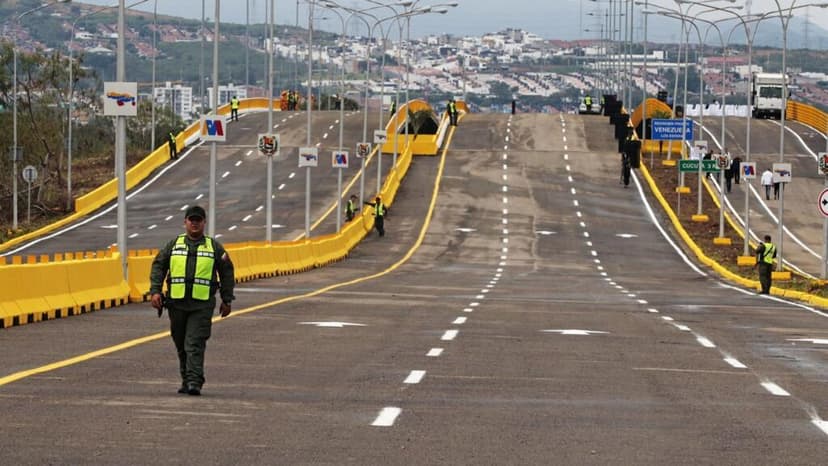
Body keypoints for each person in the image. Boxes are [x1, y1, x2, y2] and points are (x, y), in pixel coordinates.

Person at [150, 205, 235, 396]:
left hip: (201, 305)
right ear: (185, 222)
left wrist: (227, 299)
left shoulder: (214, 247)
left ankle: (195, 381)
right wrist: (155, 291)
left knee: (194, 343)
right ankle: (186, 380)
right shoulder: (173, 245)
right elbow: (158, 266)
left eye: (198, 220)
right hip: (176, 304)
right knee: (180, 344)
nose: (194, 223)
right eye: (191, 220)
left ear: (204, 223)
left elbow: (227, 273)